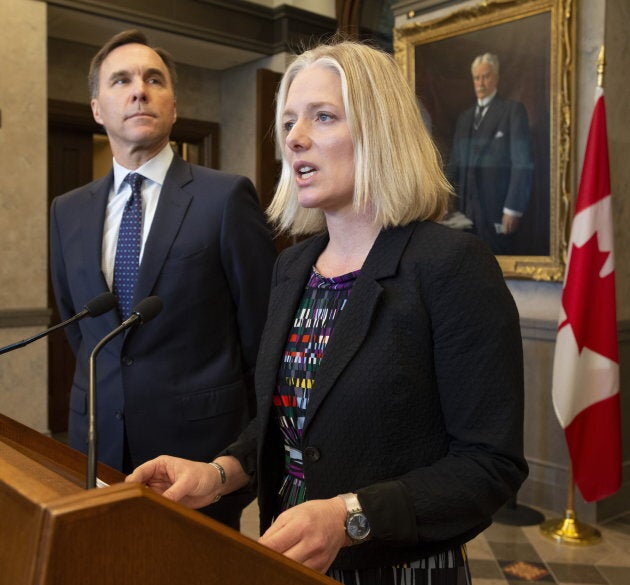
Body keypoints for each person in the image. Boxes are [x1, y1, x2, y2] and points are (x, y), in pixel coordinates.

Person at [127, 40, 528, 583]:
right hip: (290, 562)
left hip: (397, 569)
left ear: (380, 132)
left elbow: (489, 465)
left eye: (323, 116)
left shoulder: (452, 264)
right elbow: (291, 423)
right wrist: (220, 474)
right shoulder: (293, 266)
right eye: (289, 120)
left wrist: (351, 518)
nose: (294, 137)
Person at [49, 29, 276, 529]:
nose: (139, 90)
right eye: (122, 80)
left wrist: (248, 453)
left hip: (199, 451)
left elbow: (263, 333)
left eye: (154, 79)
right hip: (98, 445)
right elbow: (79, 325)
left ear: (173, 106)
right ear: (96, 108)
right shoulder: (66, 211)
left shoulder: (225, 198)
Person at [448, 53, 534, 255]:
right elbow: (455, 164)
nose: (481, 82)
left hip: (496, 209)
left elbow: (522, 163)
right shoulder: (465, 118)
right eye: (477, 78)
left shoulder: (512, 111)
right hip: (464, 214)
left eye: (486, 76)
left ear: (496, 78)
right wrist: (445, 201)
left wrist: (512, 209)